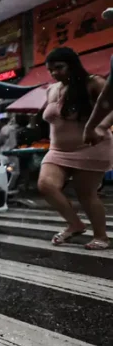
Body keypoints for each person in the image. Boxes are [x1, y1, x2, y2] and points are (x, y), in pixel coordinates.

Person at [38, 47, 111, 250]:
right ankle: (75, 224)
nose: (54, 73)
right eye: (50, 70)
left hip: (91, 147)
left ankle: (101, 237)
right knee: (46, 185)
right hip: (58, 150)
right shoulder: (52, 89)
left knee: (86, 194)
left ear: (73, 65)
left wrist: (101, 127)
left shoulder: (93, 83)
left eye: (59, 68)